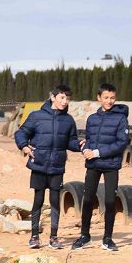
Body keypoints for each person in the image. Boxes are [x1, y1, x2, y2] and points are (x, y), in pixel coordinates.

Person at [14, 85, 80, 250]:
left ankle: (54, 237)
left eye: (67, 98)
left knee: (55, 202)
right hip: (39, 165)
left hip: (57, 166)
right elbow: (21, 133)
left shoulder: (68, 120)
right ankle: (34, 236)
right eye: (62, 98)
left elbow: (71, 142)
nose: (65, 102)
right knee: (38, 200)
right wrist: (24, 147)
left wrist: (81, 145)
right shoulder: (36, 116)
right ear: (53, 97)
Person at [73, 83, 129, 252]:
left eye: (112, 98)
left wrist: (97, 152)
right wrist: (84, 148)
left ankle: (108, 239)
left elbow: (121, 143)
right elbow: (88, 140)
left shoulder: (121, 119)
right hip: (93, 165)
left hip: (111, 165)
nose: (109, 101)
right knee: (88, 199)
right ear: (99, 98)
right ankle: (85, 236)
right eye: (106, 97)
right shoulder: (92, 119)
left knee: (110, 201)